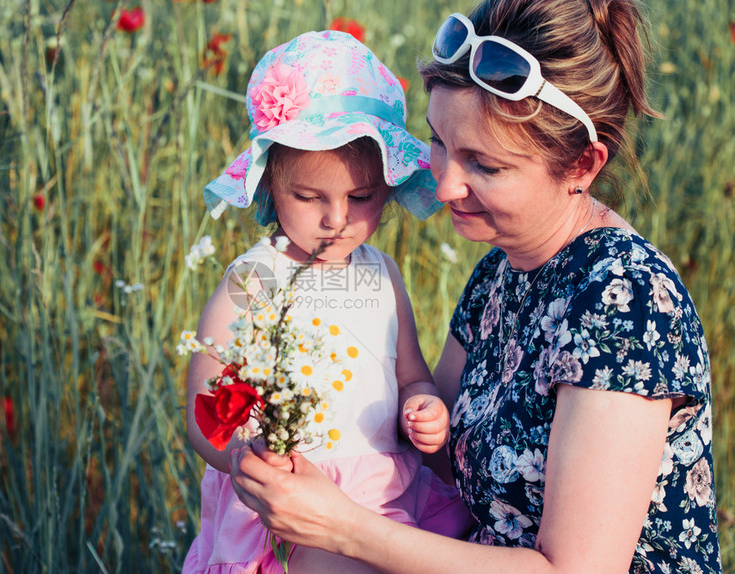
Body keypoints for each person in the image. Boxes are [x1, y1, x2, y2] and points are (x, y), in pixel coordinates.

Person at [229, 1, 723, 573]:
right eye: (440, 142)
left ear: (583, 166)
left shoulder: (625, 303)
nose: (444, 187)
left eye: (484, 166)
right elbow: (435, 457)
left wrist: (340, 525)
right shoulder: (502, 270)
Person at [184, 31, 473, 574]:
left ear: (387, 189)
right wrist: (245, 458)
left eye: (359, 198)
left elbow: (410, 374)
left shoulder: (382, 275)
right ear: (270, 185)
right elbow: (206, 404)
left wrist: (424, 406)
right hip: (289, 496)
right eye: (310, 197)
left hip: (384, 495)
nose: (336, 219)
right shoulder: (256, 279)